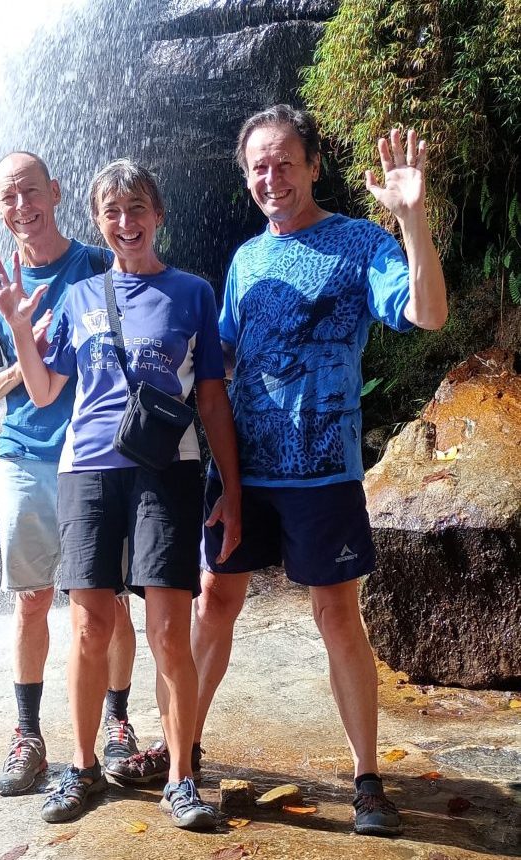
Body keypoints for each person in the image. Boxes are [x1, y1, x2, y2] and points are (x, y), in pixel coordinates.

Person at [115, 105, 448, 838]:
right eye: (258, 167)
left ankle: (367, 780)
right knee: (214, 601)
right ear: (247, 177)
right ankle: (181, 752)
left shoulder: (360, 243)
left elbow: (427, 313)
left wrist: (412, 220)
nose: (272, 178)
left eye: (284, 162)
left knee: (337, 614)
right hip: (243, 469)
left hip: (324, 471)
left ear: (313, 165)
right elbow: (221, 361)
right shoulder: (245, 260)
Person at [0, 158, 242, 829]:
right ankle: (83, 765)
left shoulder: (192, 292)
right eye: (112, 213)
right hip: (87, 471)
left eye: (137, 209)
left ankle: (181, 777)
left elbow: (212, 399)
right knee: (91, 624)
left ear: (157, 215)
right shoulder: (79, 296)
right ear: (97, 221)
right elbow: (45, 392)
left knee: (168, 630)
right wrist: (17, 327)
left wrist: (231, 488)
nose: (126, 224)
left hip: (167, 470)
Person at [0, 151, 139, 799]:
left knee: (108, 599)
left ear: (56, 193)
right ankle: (28, 734)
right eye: (8, 197)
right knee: (32, 600)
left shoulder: (98, 264)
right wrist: (21, 347)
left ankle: (117, 722)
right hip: (25, 457)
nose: (22, 206)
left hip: (97, 456)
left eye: (31, 191)